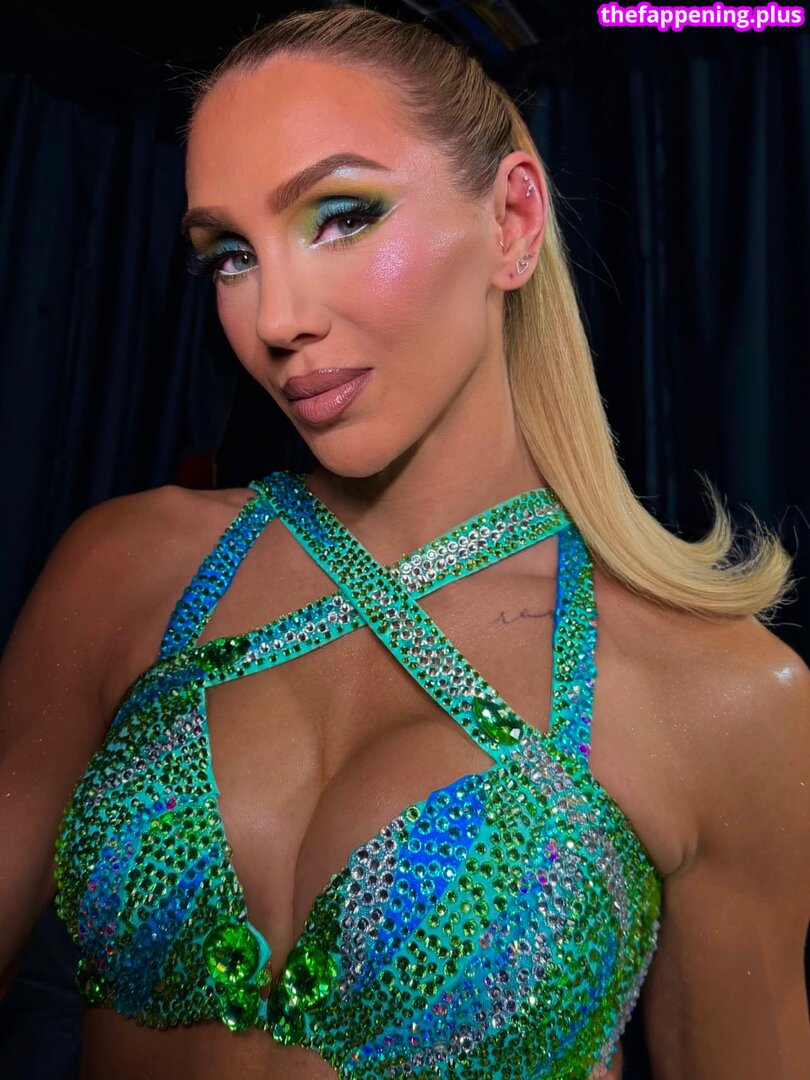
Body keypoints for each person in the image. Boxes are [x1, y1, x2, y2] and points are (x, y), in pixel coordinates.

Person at [1, 4, 808, 1078]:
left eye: (341, 216)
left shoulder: (721, 697)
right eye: (231, 255)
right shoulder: (125, 572)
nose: (276, 318)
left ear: (512, 220)